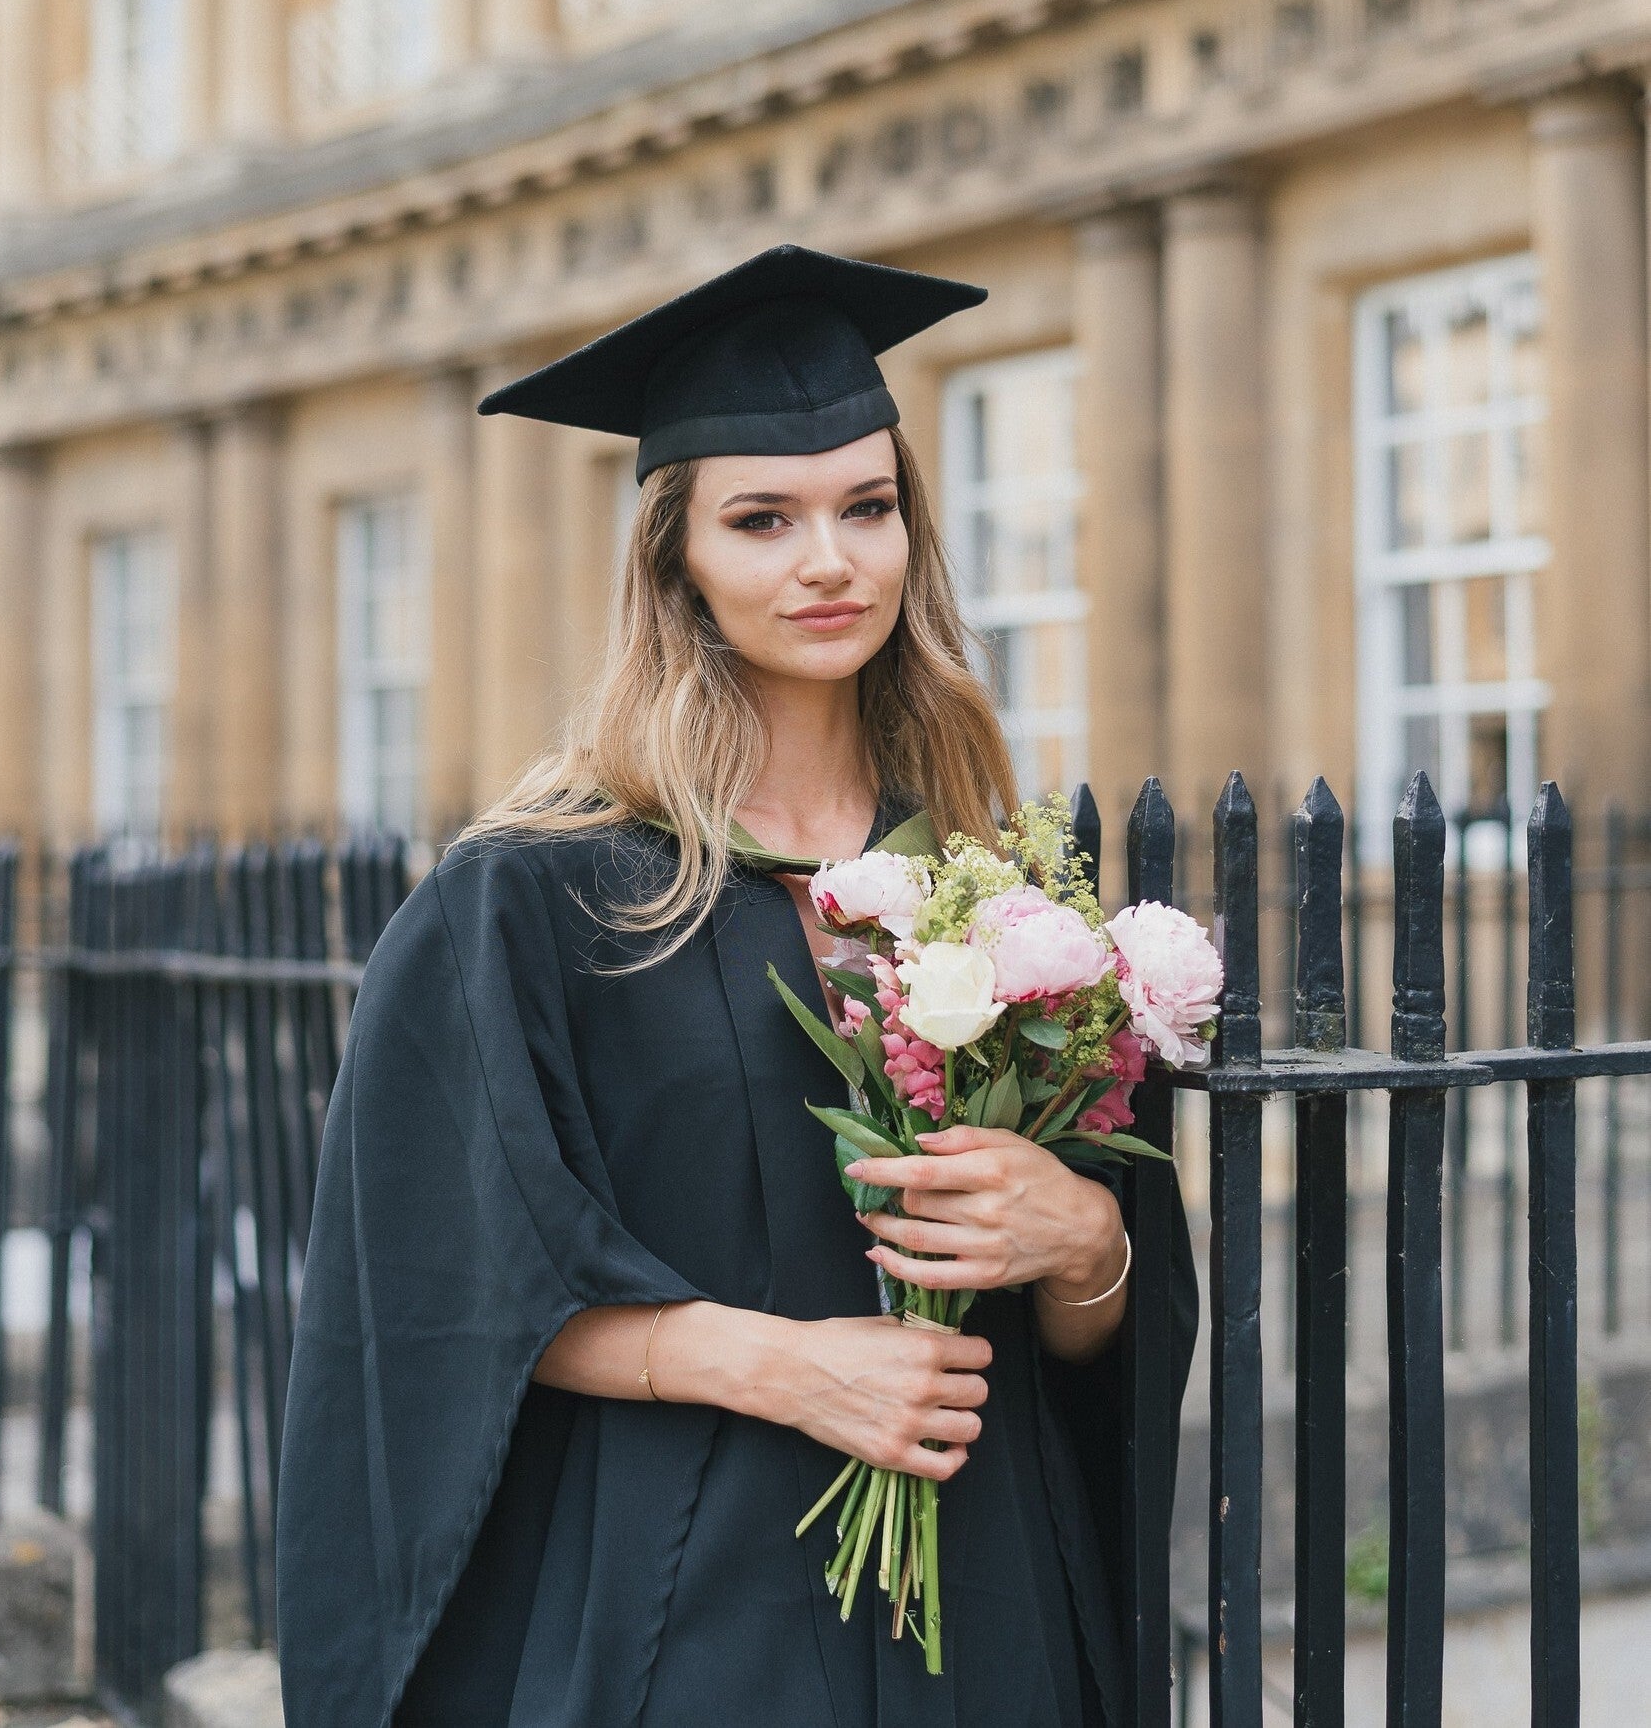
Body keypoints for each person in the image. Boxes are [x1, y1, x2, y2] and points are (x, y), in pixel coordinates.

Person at [274, 243, 1199, 1728]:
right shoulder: (539, 895)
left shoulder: (993, 883)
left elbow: (1089, 1335)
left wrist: (1085, 1240)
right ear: (676, 560)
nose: (827, 560)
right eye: (761, 519)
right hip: (694, 1599)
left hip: (985, 1581)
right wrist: (781, 1367)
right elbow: (437, 1296)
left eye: (867, 507)